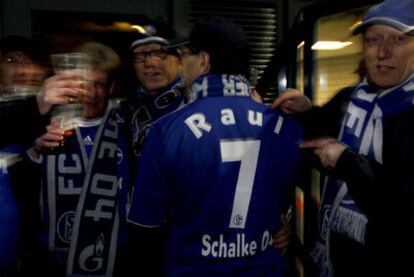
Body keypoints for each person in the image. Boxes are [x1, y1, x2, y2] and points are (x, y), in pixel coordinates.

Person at [127, 17, 303, 276]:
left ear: (203, 62)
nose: (181, 66)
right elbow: (294, 195)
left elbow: (145, 227)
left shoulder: (168, 131)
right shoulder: (286, 124)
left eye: (185, 55)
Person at [273, 0, 414, 276]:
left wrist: (347, 161)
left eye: (398, 39)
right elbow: (323, 127)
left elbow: (403, 210)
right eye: (374, 39)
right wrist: (305, 110)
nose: (383, 52)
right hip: (337, 259)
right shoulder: (354, 98)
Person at [25, 42, 133, 277]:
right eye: (85, 84)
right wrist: (34, 152)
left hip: (116, 252)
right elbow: (20, 193)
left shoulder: (127, 126)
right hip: (51, 256)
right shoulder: (41, 123)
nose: (92, 93)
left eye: (100, 84)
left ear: (112, 87)